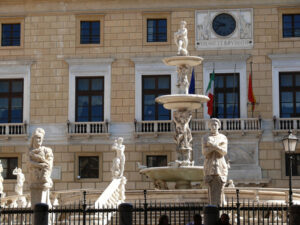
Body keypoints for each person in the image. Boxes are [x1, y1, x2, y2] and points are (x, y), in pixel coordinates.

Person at [202, 118, 228, 205]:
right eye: (212, 125)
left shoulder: (223, 137)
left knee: (221, 185)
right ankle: (212, 208)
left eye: (215, 124)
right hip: (209, 164)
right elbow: (204, 152)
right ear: (209, 126)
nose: (214, 126)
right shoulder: (205, 137)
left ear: (219, 126)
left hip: (220, 164)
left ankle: (219, 208)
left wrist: (213, 146)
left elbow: (224, 151)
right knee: (210, 186)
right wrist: (216, 147)